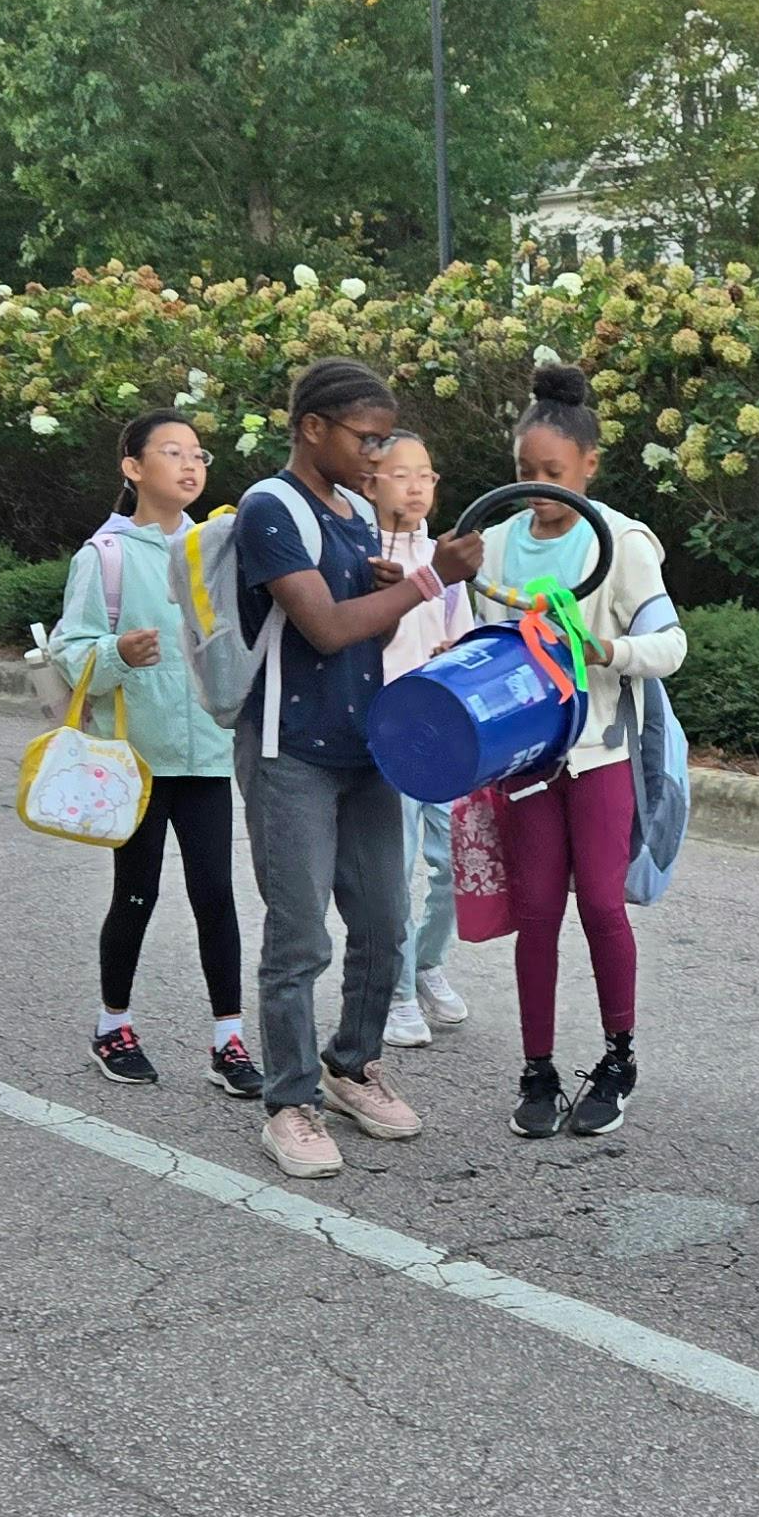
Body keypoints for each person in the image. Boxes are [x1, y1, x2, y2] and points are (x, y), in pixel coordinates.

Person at [230, 359, 483, 1181]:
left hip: (364, 746)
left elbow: (364, 632)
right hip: (289, 751)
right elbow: (328, 630)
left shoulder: (349, 512)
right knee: (299, 936)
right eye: (365, 438)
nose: (376, 456)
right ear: (312, 428)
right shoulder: (273, 506)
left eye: (385, 441)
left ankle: (351, 1065)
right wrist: (425, 580)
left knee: (384, 923)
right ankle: (290, 1101)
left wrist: (393, 587)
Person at [467, 365, 688, 1138]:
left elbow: (671, 644)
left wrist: (608, 650)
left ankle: (618, 1056)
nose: (537, 489)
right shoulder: (492, 543)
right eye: (524, 473)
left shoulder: (622, 542)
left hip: (598, 754)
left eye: (553, 475)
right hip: (524, 761)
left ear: (589, 467)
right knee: (536, 913)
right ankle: (537, 1067)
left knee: (598, 901)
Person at [50, 410, 257, 1096]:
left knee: (216, 896)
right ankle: (114, 1024)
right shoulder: (104, 555)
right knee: (135, 893)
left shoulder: (217, 547)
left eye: (198, 453)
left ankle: (229, 1039)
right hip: (134, 760)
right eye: (172, 453)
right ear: (133, 468)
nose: (190, 465)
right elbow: (69, 647)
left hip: (207, 754)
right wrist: (116, 651)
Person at [368, 432, 471, 1050]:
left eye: (425, 474)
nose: (415, 485)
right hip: (387, 733)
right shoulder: (360, 556)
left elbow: (464, 638)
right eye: (400, 474)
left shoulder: (449, 563)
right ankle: (397, 991)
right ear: (369, 482)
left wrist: (453, 652)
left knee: (457, 862)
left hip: (445, 733)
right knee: (395, 869)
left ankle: (427, 963)